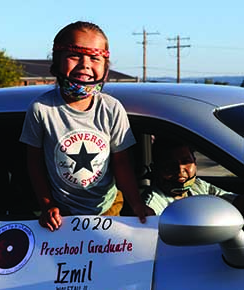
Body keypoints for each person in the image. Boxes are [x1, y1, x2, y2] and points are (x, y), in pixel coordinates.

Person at [20, 21, 153, 231]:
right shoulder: (41, 109)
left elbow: (122, 163)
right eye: (75, 56)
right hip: (60, 216)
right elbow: (34, 164)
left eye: (94, 57)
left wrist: (136, 203)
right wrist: (47, 206)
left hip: (108, 210)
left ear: (105, 66)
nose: (85, 64)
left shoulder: (111, 109)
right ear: (56, 63)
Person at [142, 136, 244, 216]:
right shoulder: (153, 203)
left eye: (186, 162)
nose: (180, 170)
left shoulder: (198, 186)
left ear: (195, 162)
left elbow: (233, 201)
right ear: (156, 169)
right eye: (169, 164)